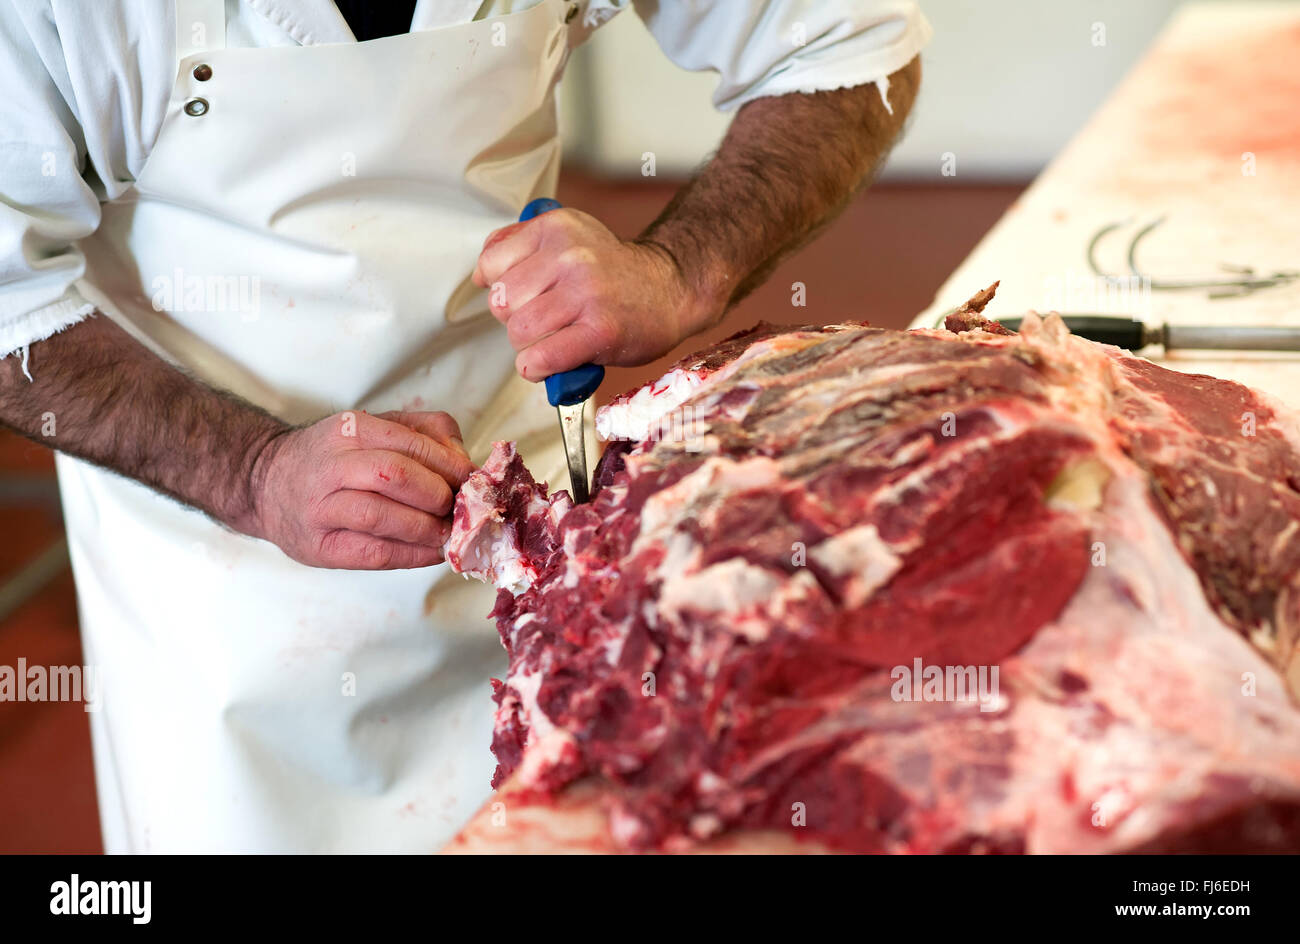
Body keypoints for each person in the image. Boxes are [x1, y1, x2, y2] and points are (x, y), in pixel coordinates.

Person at [0, 0, 928, 852]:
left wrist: (683, 267)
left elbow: (850, 42)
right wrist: (251, 473)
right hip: (231, 616)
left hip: (531, 544)